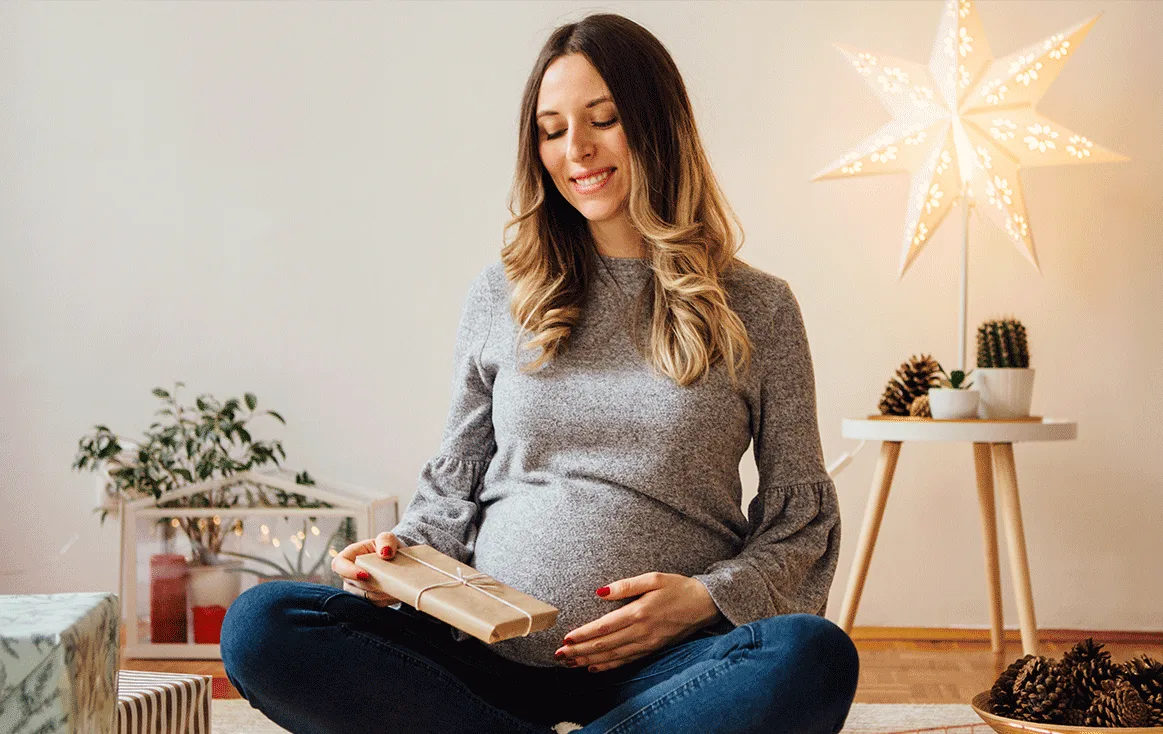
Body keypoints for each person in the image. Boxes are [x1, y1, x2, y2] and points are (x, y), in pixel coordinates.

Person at [220, 12, 859, 733]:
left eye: (604, 119)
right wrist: (400, 559)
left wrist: (705, 600)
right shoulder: (501, 294)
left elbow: (799, 527)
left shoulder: (759, 307)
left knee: (813, 655)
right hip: (483, 660)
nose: (576, 149)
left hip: (665, 672)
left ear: (657, 123)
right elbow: (453, 487)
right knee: (263, 623)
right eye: (552, 131)